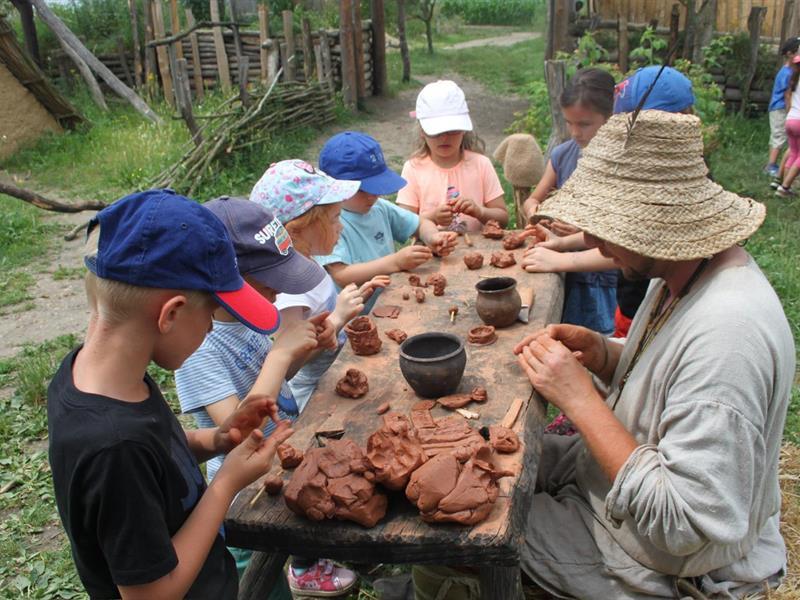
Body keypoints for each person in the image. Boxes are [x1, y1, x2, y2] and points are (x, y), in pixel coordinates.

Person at [515, 110, 794, 598]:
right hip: (610, 493)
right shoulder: (682, 273)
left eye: (606, 227)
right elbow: (674, 380)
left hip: (659, 560)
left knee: (483, 531)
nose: (595, 243)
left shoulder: (728, 337)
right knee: (503, 462)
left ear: (658, 226)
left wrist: (581, 401)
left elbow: (683, 524)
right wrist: (605, 355)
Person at [47, 189, 293, 599]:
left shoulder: (100, 377)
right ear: (171, 314)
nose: (212, 329)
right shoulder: (113, 447)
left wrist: (216, 440)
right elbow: (150, 595)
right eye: (210, 314)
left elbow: (158, 455)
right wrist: (225, 485)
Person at [174, 196, 358, 597]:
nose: (279, 289)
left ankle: (303, 567)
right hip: (241, 497)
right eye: (269, 278)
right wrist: (279, 353)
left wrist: (304, 347)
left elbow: (280, 381)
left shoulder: (254, 316)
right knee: (256, 579)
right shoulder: (199, 349)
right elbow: (237, 430)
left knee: (292, 536)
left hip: (278, 466)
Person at [524, 65, 696, 339]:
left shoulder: (662, 188)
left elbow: (632, 246)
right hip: (639, 304)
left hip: (651, 306)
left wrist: (564, 258)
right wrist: (562, 243)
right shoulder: (649, 173)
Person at [249, 159, 389, 412]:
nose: (342, 226)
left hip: (338, 369)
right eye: (335, 218)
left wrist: (354, 298)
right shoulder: (287, 290)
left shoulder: (309, 260)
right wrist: (337, 319)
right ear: (298, 229)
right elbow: (288, 366)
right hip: (315, 393)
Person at [521, 68, 619, 336]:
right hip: (565, 274)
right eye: (569, 122)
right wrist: (537, 213)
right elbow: (533, 199)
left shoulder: (621, 165)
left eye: (585, 124)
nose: (575, 132)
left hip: (601, 282)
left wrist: (579, 233)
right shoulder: (564, 155)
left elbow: (620, 244)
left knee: (594, 344)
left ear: (611, 117)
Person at [317, 131, 457, 312]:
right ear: (333, 187)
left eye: (376, 187)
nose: (373, 195)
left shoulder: (379, 208)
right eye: (363, 189)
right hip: (355, 316)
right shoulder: (329, 222)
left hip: (391, 300)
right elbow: (341, 275)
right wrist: (396, 262)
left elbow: (421, 223)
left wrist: (433, 238)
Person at [396, 79, 509, 232]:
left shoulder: (481, 164)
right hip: (430, 252)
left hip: (478, 250)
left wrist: (479, 212)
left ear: (464, 130)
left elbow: (503, 218)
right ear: (422, 131)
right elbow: (403, 224)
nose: (444, 138)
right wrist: (432, 218)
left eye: (452, 130)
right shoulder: (413, 169)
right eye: (436, 132)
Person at [766, 38, 800, 181]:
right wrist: (789, 112)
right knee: (778, 137)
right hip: (780, 109)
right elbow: (787, 95)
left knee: (786, 143)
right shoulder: (788, 74)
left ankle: (779, 173)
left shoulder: (787, 71)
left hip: (783, 111)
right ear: (790, 54)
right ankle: (771, 165)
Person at [776, 54, 800, 197]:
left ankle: (784, 186)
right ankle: (785, 187)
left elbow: (788, 100)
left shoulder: (794, 81)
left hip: (790, 119)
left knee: (793, 153)